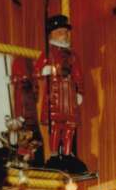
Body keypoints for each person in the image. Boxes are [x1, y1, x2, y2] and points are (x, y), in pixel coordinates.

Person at [33, 15, 86, 173]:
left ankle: (68, 153)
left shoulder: (72, 56)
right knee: (56, 126)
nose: (64, 35)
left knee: (69, 126)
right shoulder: (48, 53)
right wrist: (44, 71)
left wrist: (80, 92)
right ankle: (55, 154)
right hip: (55, 95)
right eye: (61, 32)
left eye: (66, 32)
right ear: (52, 34)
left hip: (69, 94)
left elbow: (78, 75)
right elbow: (36, 71)